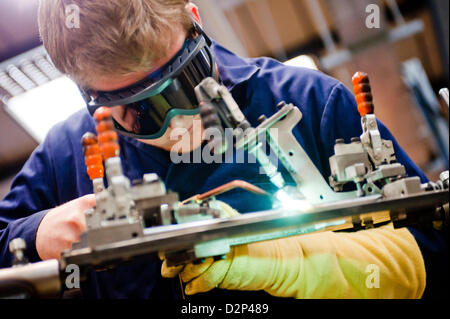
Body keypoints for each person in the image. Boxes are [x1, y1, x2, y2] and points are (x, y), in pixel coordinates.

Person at [0, 0, 447, 299]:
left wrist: (298, 264)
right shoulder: (64, 156)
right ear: (88, 95)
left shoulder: (307, 101)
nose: (179, 124)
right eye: (139, 111)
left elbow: (433, 251)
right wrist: (34, 234)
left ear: (195, 19)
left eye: (185, 83)